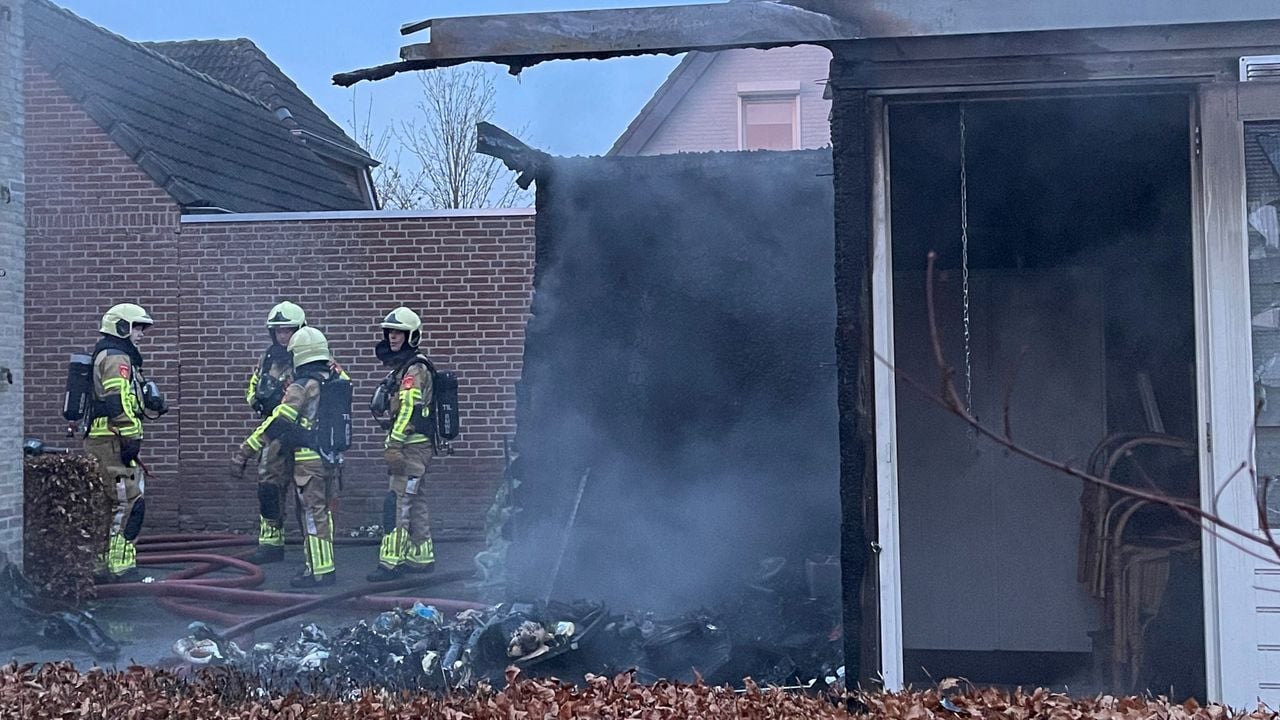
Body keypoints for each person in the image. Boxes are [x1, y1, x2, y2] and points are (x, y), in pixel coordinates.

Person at [234, 326, 340, 587]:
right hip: (330, 457)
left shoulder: (301, 387)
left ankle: (318, 572)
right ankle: (323, 565)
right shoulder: (334, 381)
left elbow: (279, 422)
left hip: (307, 459)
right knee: (321, 513)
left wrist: (246, 449)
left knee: (311, 515)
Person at [84, 303, 163, 583]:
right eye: (137, 327)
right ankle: (120, 566)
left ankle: (101, 564)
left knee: (109, 503)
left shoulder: (115, 355)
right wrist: (132, 435)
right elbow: (116, 401)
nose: (141, 334)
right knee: (129, 500)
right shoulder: (117, 357)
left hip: (108, 439)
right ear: (122, 327)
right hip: (111, 441)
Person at [367, 306, 436, 581]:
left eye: (400, 333)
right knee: (415, 500)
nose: (393, 338)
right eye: (391, 332)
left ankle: (390, 563)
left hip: (410, 447)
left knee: (396, 503)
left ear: (412, 336)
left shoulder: (413, 370)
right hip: (418, 446)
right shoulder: (408, 367)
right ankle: (422, 557)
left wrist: (394, 444)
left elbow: (408, 408)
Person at [243, 301, 307, 564]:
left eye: (288, 330)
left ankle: (312, 545)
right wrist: (256, 399)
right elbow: (254, 385)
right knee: (269, 486)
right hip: (274, 432)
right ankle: (271, 543)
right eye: (278, 331)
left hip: (304, 434)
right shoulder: (268, 357)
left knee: (307, 492)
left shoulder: (313, 354)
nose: (283, 336)